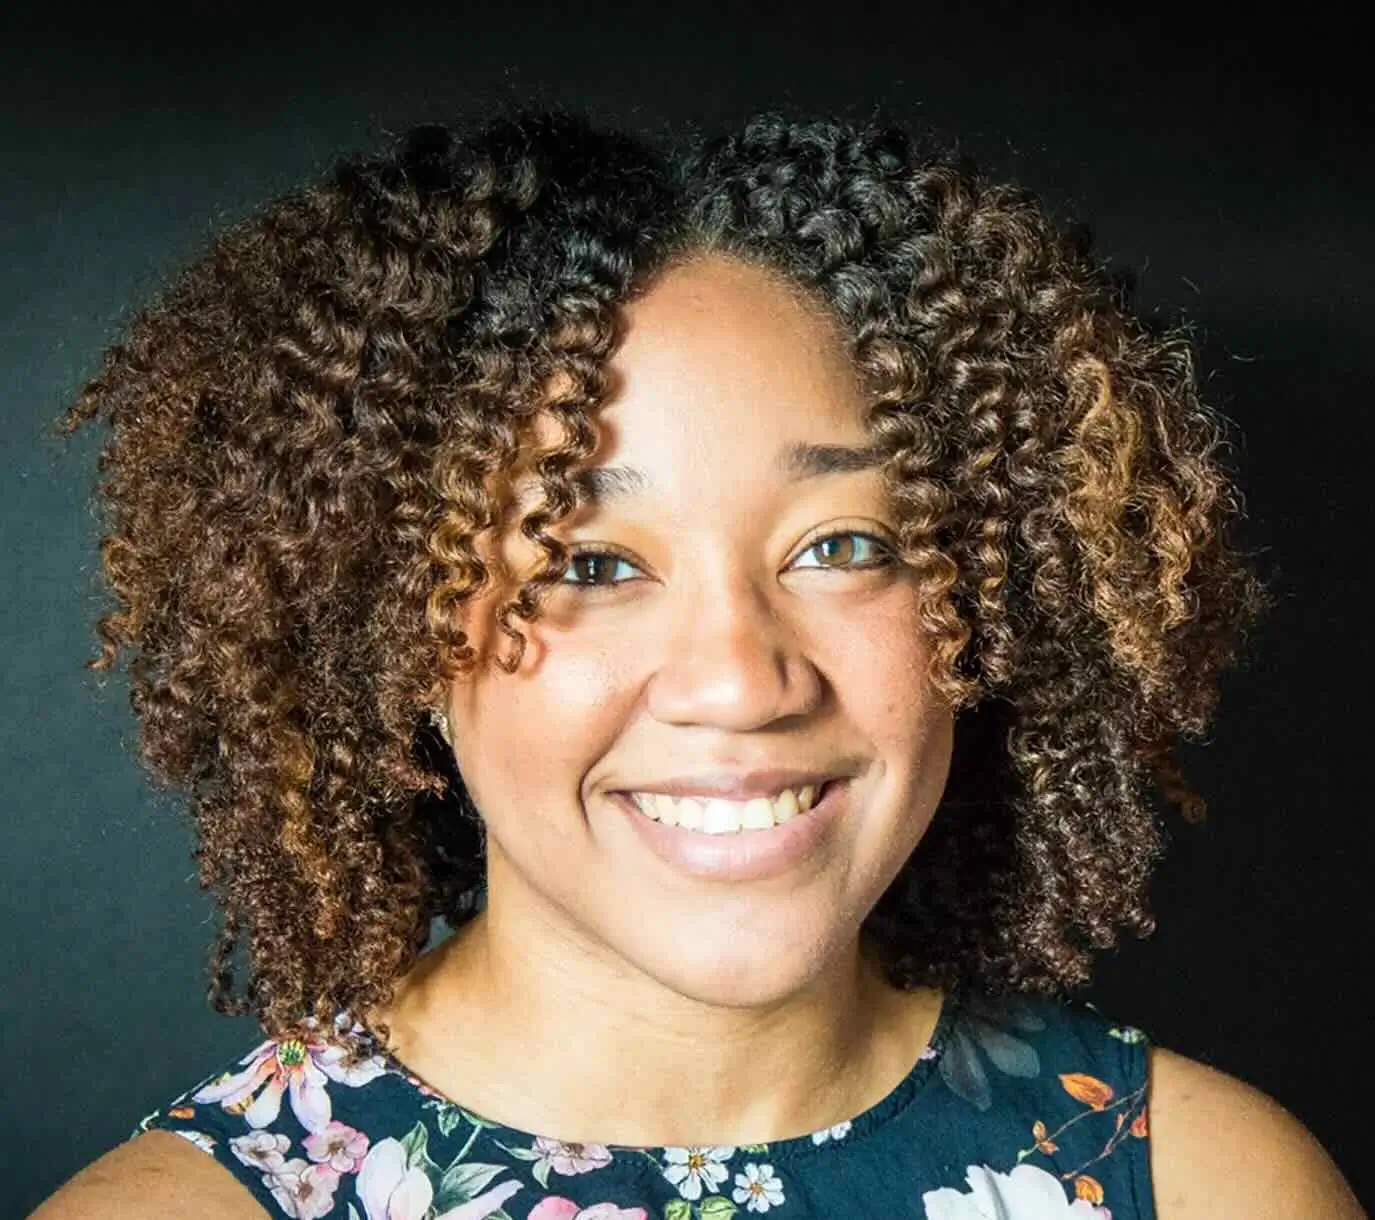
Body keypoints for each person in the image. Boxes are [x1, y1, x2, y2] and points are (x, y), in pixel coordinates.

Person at [33, 111, 1363, 1220]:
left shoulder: (1211, 1187)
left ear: (989, 599)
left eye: (842, 545)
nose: (740, 681)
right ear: (393, 634)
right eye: (590, 563)